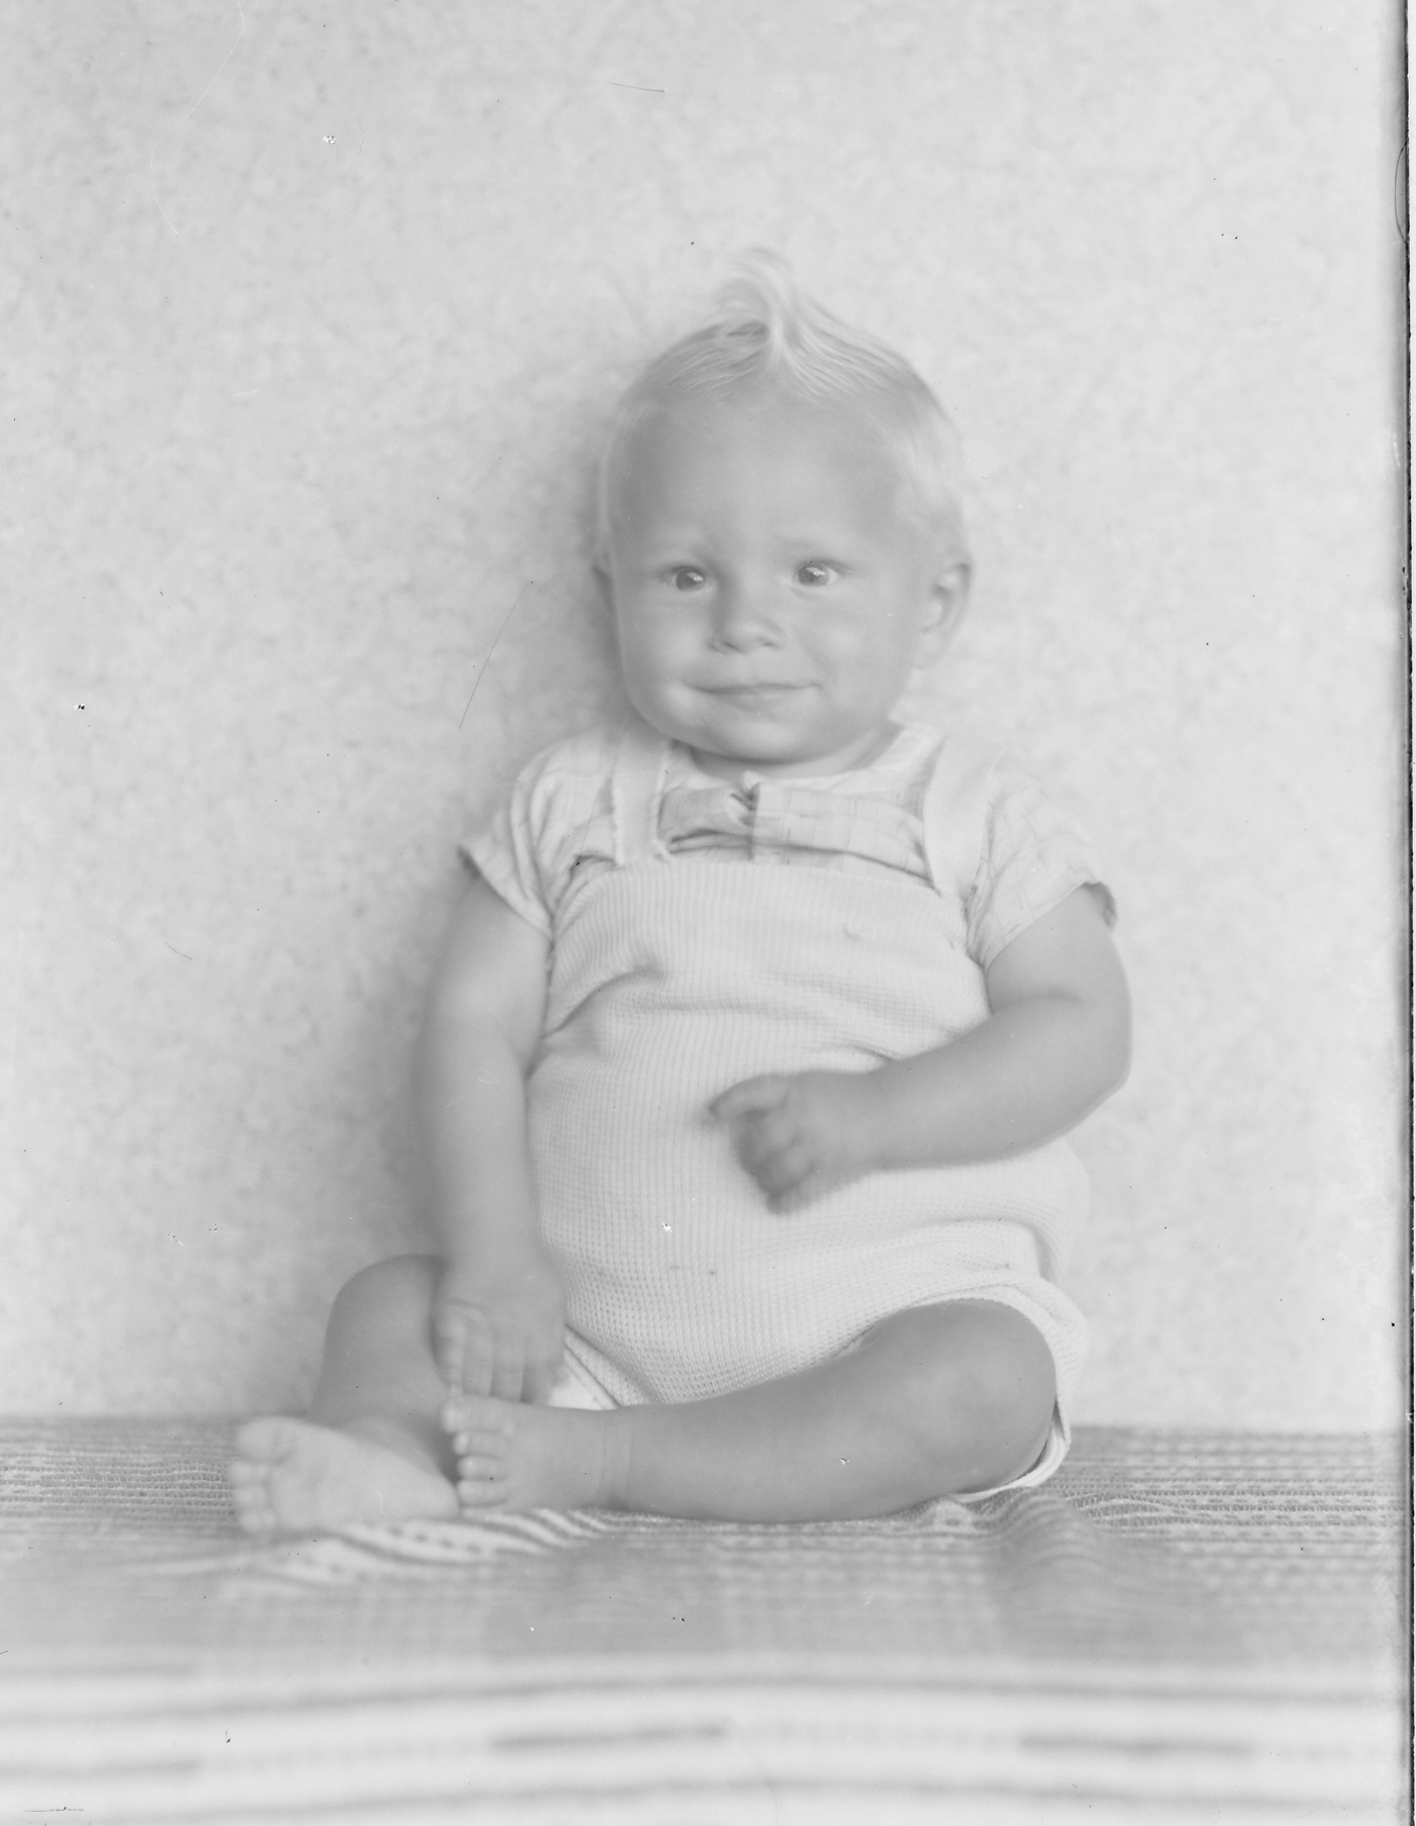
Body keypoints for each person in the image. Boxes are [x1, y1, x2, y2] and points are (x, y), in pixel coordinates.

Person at [231, 257, 1131, 1533]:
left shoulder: (975, 814)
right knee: (388, 1304)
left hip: (883, 1322)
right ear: (611, 589)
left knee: (987, 1380)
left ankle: (614, 1464)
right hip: (583, 1345)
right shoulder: (570, 802)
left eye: (814, 574)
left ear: (935, 603)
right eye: (686, 577)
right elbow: (472, 1030)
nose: (745, 623)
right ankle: (394, 1461)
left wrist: (878, 1117)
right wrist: (496, 1256)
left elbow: (1082, 1026)